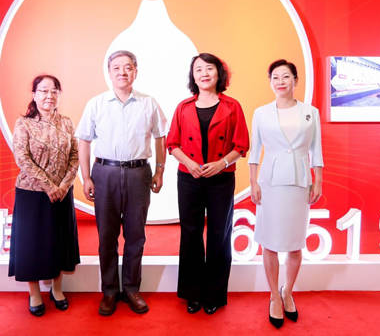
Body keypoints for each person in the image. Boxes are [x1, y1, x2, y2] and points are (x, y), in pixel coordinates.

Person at [76, 50, 168, 316]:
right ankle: (109, 291)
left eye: (128, 67)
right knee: (107, 237)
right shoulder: (96, 104)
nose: (122, 72)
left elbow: (161, 137)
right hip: (105, 174)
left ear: (135, 72)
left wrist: (160, 171)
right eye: (116, 67)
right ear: (109, 72)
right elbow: (84, 141)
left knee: (136, 235)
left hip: (139, 173)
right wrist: (86, 177)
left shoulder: (149, 103)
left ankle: (131, 288)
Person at [166, 53, 249, 315]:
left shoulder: (232, 106)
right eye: (198, 69)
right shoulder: (183, 107)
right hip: (189, 177)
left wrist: (221, 163)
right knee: (190, 233)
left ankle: (214, 294)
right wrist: (190, 164)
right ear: (193, 76)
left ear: (219, 73)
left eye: (209, 68)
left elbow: (241, 145)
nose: (204, 73)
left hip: (220, 178)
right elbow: (172, 144)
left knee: (219, 235)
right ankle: (192, 293)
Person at [248, 59, 324, 329]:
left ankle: (287, 291)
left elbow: (316, 149)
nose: (280, 82)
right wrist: (253, 181)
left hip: (300, 181)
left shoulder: (310, 112)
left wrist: (318, 180)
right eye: (275, 77)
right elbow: (254, 151)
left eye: (286, 76)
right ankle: (273, 296)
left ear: (296, 80)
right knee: (269, 242)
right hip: (269, 182)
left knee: (294, 243)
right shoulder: (261, 113)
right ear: (270, 82)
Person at [8, 74, 80, 317]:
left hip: (62, 193)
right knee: (32, 244)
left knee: (59, 241)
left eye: (54, 91)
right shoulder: (24, 124)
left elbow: (74, 157)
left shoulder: (67, 123)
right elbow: (22, 159)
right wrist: (49, 186)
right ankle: (34, 293)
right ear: (34, 94)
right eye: (44, 91)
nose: (49, 96)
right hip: (32, 194)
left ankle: (57, 289)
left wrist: (63, 186)